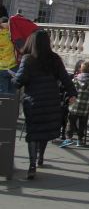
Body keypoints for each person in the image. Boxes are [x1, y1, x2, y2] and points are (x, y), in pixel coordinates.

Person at [11, 29, 77, 179]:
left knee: (33, 132)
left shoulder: (28, 59)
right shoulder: (55, 58)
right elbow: (65, 78)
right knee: (45, 129)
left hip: (34, 100)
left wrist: (13, 78)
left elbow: (19, 82)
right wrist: (72, 93)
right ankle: (41, 157)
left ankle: (32, 165)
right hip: (52, 100)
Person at [61, 61, 89, 147]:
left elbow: (70, 88)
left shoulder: (75, 79)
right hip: (85, 107)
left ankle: (68, 138)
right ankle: (79, 140)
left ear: (81, 69)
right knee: (82, 124)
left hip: (75, 105)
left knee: (70, 122)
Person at [0, 17, 17, 93]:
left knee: (3, 93)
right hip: (13, 67)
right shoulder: (13, 34)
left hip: (1, 68)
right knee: (12, 93)